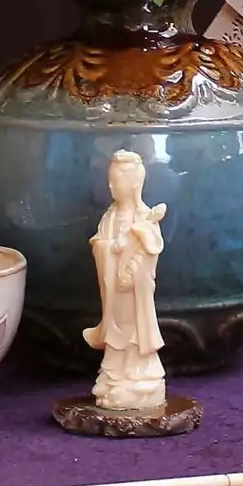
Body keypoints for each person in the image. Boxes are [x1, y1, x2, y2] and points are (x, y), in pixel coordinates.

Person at [83, 150, 168, 410]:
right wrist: (110, 249)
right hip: (114, 298)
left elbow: (153, 250)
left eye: (116, 182)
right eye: (109, 181)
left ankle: (140, 379)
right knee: (114, 335)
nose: (110, 186)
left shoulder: (144, 218)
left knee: (134, 335)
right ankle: (112, 378)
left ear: (133, 185)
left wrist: (132, 268)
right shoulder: (109, 217)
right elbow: (98, 243)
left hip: (133, 294)